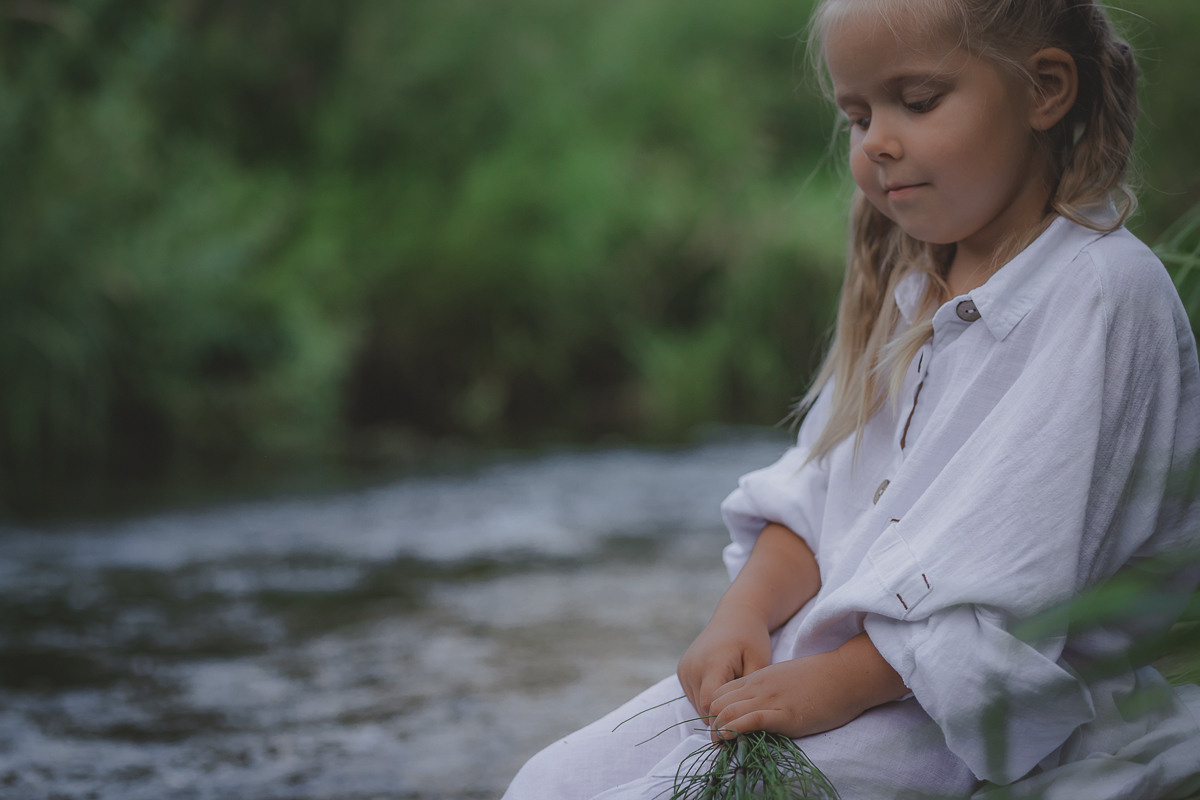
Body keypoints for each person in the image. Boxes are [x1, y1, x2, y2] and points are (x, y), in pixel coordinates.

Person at [502, 0, 1200, 797]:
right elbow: (823, 498)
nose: (878, 143)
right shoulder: (912, 287)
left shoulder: (1099, 293)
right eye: (858, 114)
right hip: (829, 668)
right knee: (545, 782)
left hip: (972, 717)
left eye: (919, 101)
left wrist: (830, 687)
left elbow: (1012, 586)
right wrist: (741, 615)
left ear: (1044, 89)